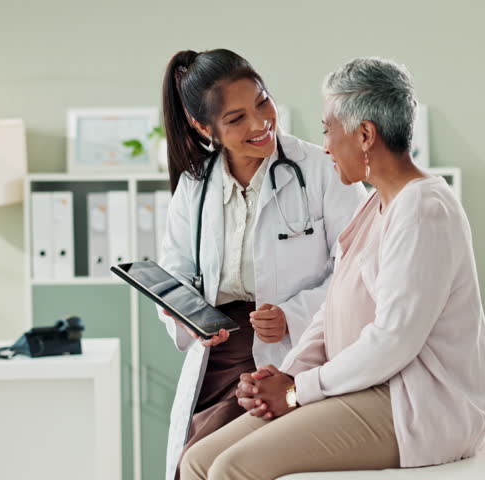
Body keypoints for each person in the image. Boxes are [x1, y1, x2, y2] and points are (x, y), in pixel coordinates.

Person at [181, 57, 485, 480]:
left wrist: (297, 390)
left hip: (414, 403)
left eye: (329, 129)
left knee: (232, 468)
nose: (325, 145)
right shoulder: (376, 205)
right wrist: (288, 372)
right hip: (364, 386)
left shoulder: (425, 211)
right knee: (197, 461)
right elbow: (331, 312)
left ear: (364, 135)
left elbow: (393, 341)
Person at [157, 49, 367, 480]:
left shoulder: (321, 169)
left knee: (216, 461)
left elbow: (362, 267)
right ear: (203, 127)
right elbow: (175, 271)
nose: (260, 123)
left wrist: (293, 315)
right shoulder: (194, 189)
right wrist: (184, 314)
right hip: (218, 356)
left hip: (296, 347)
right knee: (197, 459)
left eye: (262, 102)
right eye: (236, 119)